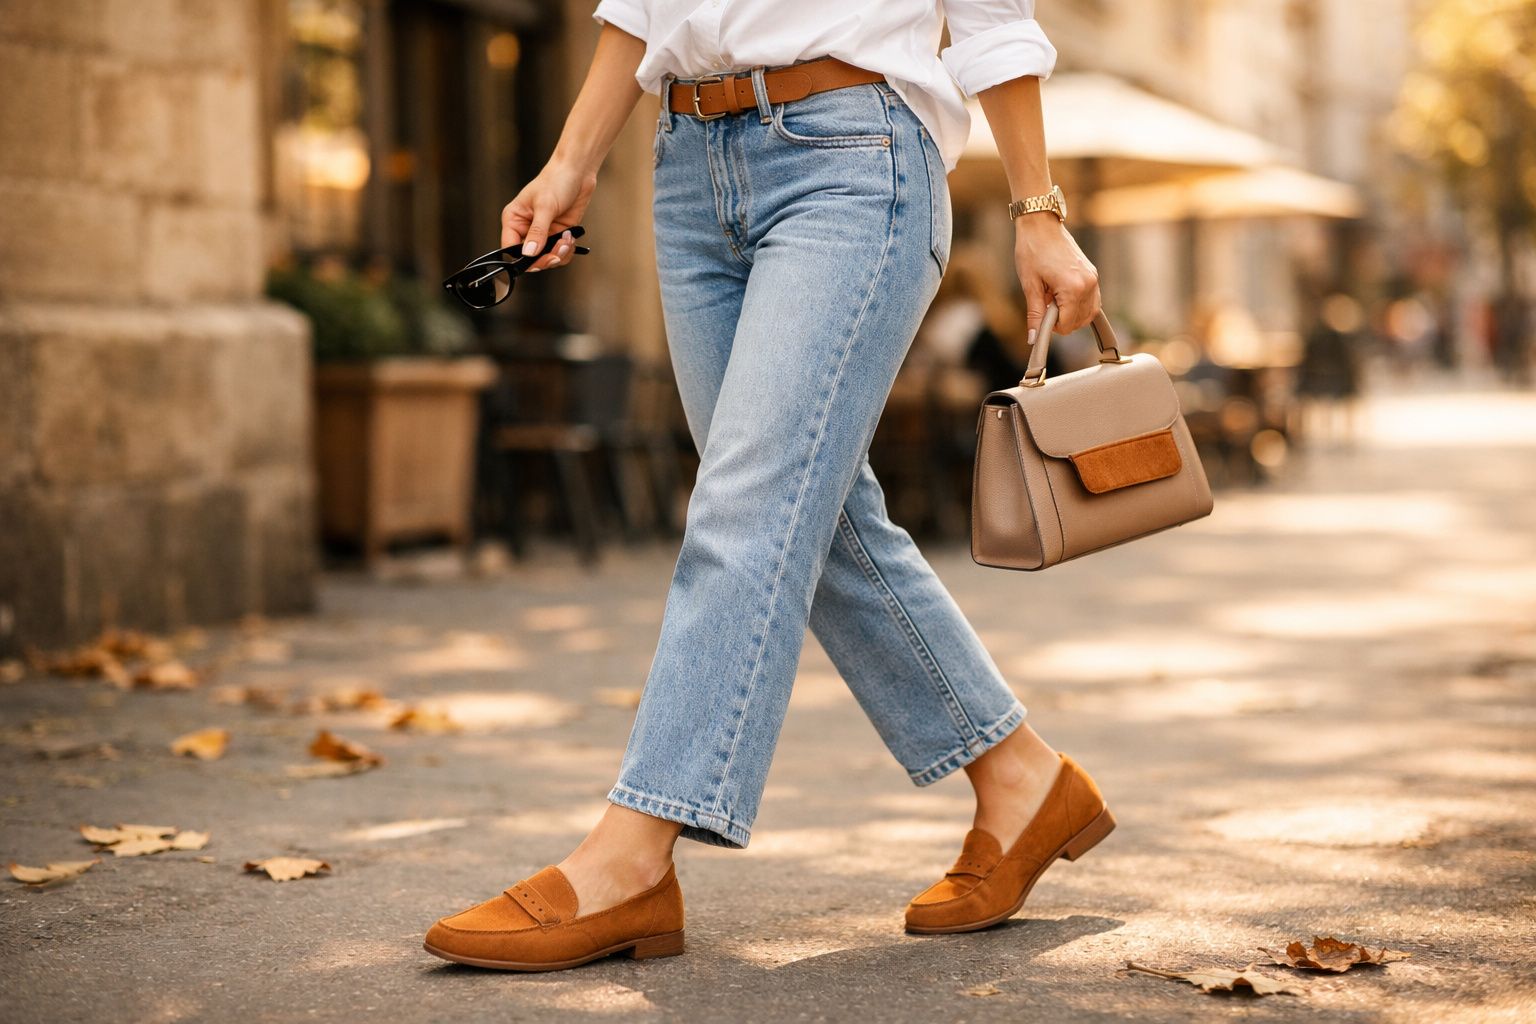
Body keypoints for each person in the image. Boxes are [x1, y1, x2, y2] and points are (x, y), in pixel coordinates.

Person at [424, 0, 1109, 971]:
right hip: (689, 166)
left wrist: (1036, 209)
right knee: (809, 512)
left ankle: (634, 853)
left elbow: (992, 13)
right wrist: (573, 160)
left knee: (746, 508)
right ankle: (1022, 778)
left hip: (852, 157)